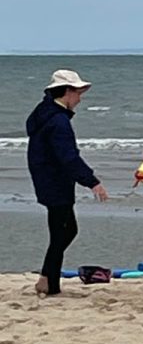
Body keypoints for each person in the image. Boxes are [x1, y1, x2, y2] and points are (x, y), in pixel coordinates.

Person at [26, 70, 109, 296]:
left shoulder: (45, 111)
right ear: (67, 92)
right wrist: (92, 182)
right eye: (78, 92)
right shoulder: (58, 121)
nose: (80, 98)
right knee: (66, 230)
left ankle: (50, 282)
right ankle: (47, 279)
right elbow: (68, 157)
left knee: (61, 231)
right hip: (55, 182)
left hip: (47, 179)